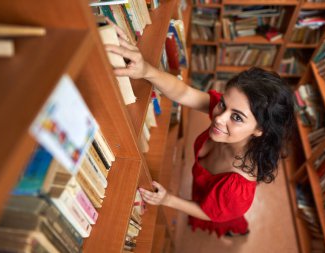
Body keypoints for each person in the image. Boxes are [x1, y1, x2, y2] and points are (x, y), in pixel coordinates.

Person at [105, 21, 296, 237]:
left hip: (217, 207)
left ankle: (237, 232)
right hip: (203, 189)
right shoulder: (224, 118)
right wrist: (146, 70)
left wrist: (168, 200)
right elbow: (185, 93)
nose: (218, 117)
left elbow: (211, 213)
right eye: (224, 103)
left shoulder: (238, 189)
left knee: (223, 221)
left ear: (260, 129)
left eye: (237, 117)